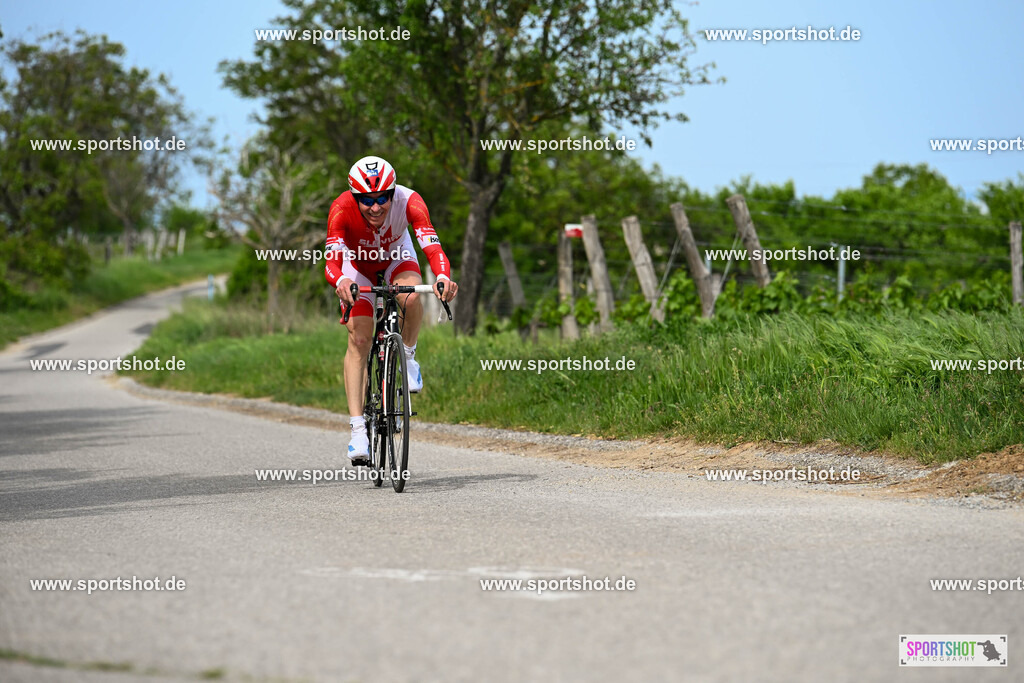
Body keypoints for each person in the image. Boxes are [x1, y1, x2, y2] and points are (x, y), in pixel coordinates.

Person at [325, 155, 457, 465]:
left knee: (412, 298)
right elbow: (331, 261)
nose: (375, 207)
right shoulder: (341, 209)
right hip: (356, 267)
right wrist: (341, 280)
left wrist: (442, 277)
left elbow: (433, 249)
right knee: (359, 341)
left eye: (382, 197)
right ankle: (358, 431)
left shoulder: (411, 201)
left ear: (393, 192)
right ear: (355, 197)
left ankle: (408, 358)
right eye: (366, 200)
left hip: (398, 255)